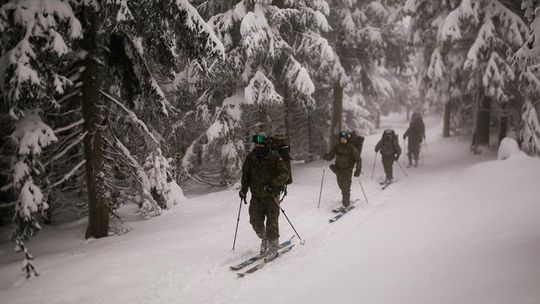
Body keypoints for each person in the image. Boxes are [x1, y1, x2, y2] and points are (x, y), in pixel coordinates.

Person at [239, 134, 289, 261]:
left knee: (272, 222)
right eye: (256, 144)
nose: (257, 146)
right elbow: (246, 175)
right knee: (255, 221)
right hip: (256, 196)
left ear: (266, 145)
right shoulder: (251, 158)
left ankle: (273, 246)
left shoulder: (275, 156)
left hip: (271, 195)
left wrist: (274, 183)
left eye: (260, 144)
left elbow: (285, 174)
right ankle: (264, 238)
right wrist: (243, 189)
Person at [324, 131, 361, 209]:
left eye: (344, 139)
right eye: (341, 139)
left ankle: (346, 203)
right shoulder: (337, 146)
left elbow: (358, 159)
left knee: (346, 187)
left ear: (347, 139)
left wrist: (358, 170)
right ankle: (345, 199)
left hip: (348, 169)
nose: (343, 140)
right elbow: (331, 155)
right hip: (338, 169)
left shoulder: (351, 147)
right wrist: (327, 156)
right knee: (341, 185)